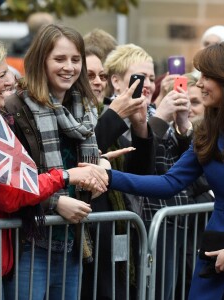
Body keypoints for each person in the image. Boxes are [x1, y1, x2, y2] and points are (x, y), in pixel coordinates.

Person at [97, 40, 224, 299]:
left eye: (208, 77)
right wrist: (107, 176)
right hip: (213, 255)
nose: (199, 84)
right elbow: (169, 183)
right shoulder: (209, 133)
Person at [0, 38, 107, 300]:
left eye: (76, 59)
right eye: (1, 75)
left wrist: (102, 166)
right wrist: (64, 179)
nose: (9, 80)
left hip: (2, 256)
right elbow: (9, 192)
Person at [3, 23, 121, 300]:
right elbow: (10, 178)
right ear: (40, 60)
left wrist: (99, 168)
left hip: (74, 243)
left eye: (75, 59)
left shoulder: (86, 110)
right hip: (31, 243)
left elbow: (80, 168)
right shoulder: (16, 107)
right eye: (59, 59)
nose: (69, 67)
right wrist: (55, 203)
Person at [82, 43, 156, 299]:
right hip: (86, 235)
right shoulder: (83, 117)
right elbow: (82, 154)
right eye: (89, 75)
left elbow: (141, 176)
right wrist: (115, 116)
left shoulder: (104, 114)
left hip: (118, 228)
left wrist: (141, 128)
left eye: (101, 76)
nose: (98, 82)